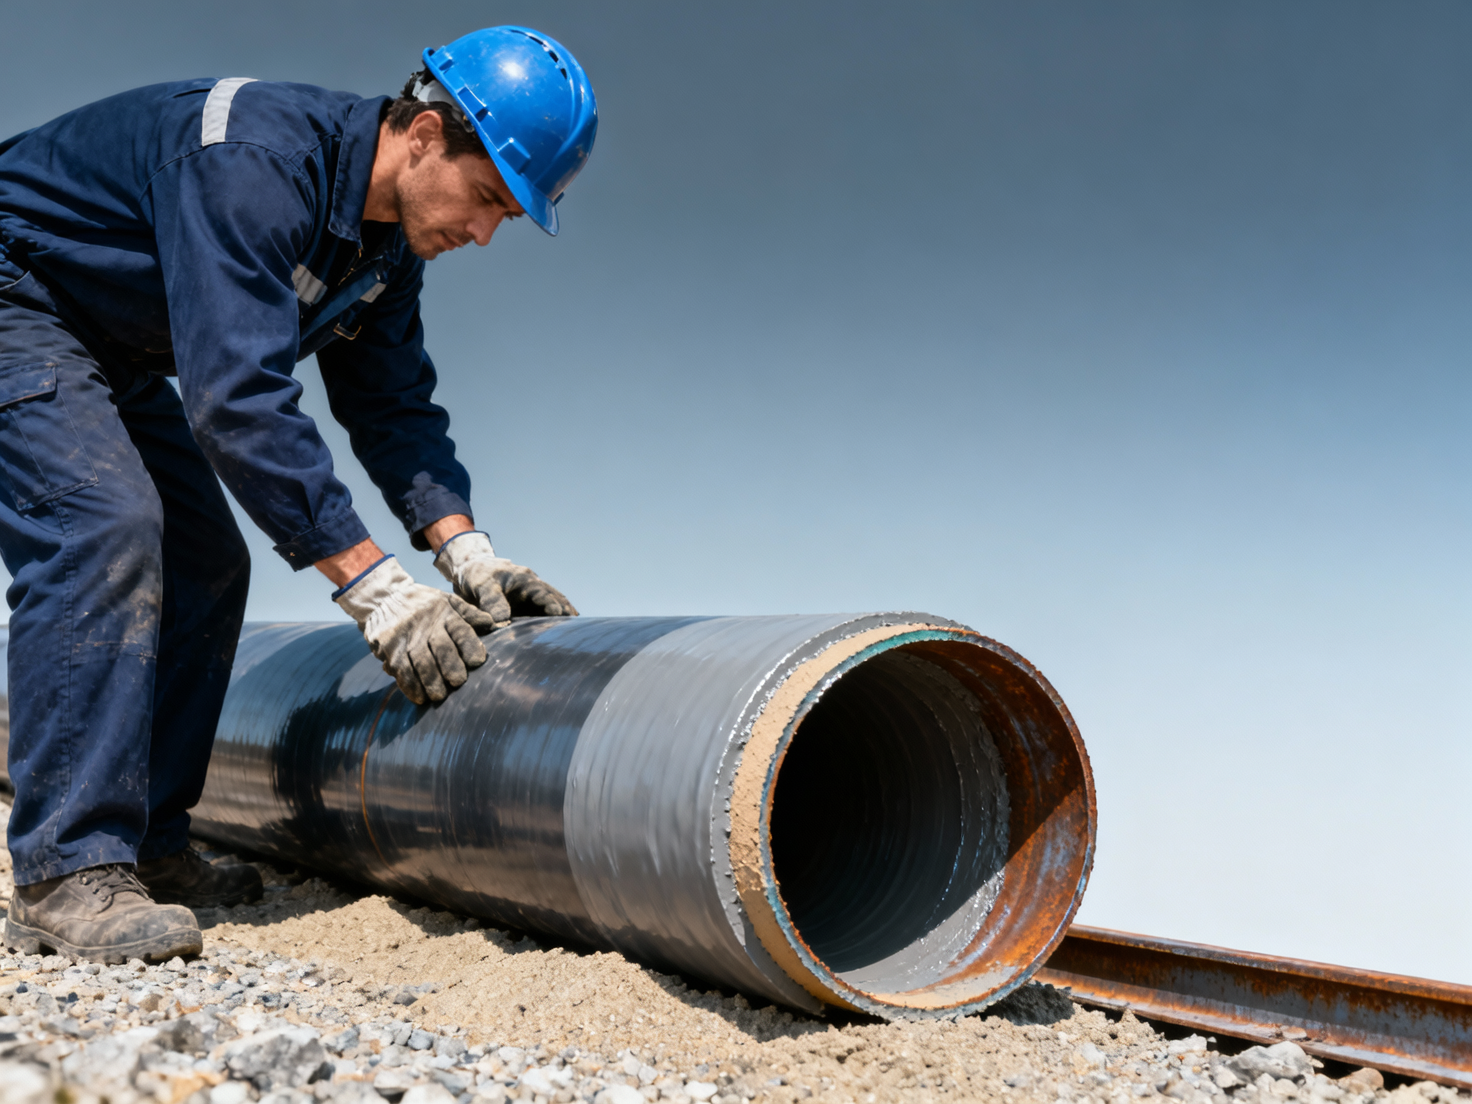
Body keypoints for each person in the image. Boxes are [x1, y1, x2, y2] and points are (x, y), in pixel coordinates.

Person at [0, 25, 597, 963]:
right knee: (102, 526)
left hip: (109, 347)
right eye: (488, 198)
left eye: (508, 219)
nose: (484, 233)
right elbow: (237, 399)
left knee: (206, 560)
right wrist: (377, 590)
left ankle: (147, 847)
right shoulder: (253, 163)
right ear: (428, 132)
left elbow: (393, 406)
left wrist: (464, 550)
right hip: (19, 298)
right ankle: (64, 869)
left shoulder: (386, 250)